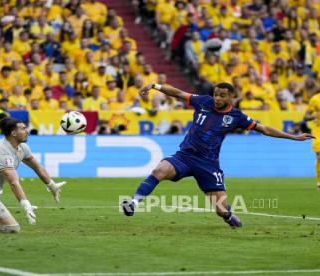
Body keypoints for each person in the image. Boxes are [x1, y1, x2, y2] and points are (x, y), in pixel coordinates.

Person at [121, 82, 314, 228]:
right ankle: (134, 202)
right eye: (215, 95)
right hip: (185, 156)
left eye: (222, 96)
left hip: (208, 164)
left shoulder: (237, 117)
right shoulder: (203, 101)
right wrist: (155, 86)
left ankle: (229, 217)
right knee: (160, 170)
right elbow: (178, 93)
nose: (217, 98)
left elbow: (264, 129)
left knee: (221, 210)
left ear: (231, 97)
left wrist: (293, 137)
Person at [304, 92, 320, 189]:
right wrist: (315, 116)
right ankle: (319, 182)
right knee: (319, 157)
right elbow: (306, 117)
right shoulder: (315, 99)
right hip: (318, 131)